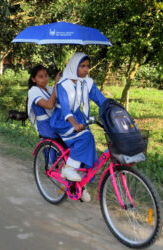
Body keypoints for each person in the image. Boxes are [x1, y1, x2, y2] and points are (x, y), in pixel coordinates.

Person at [50, 52, 107, 201]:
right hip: (63, 119)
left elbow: (102, 100)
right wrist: (74, 123)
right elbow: (65, 108)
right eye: (82, 66)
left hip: (78, 117)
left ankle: (81, 184)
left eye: (88, 66)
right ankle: (68, 169)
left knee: (90, 142)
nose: (86, 69)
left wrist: (113, 109)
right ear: (74, 66)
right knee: (85, 138)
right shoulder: (63, 83)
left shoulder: (87, 82)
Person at [27, 64, 61, 139]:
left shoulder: (49, 89)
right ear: (33, 79)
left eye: (46, 75)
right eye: (41, 77)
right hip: (45, 126)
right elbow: (49, 105)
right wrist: (56, 85)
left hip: (55, 121)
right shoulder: (33, 92)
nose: (45, 79)